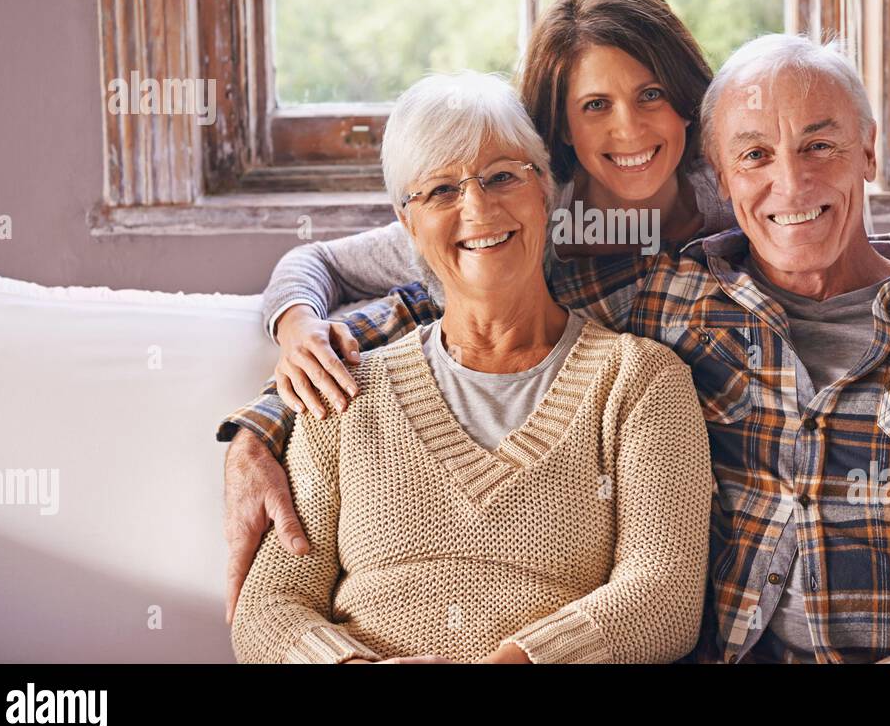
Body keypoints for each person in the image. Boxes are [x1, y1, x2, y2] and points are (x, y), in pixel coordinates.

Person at [222, 35, 890, 662]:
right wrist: (263, 422)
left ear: (868, 148)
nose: (790, 182)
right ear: (723, 171)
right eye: (756, 154)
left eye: (820, 145)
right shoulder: (674, 294)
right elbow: (458, 302)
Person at [229, 72, 711, 663]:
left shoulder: (641, 382)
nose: (478, 207)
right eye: (439, 191)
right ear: (407, 223)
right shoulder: (348, 391)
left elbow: (665, 601)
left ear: (546, 192)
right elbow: (268, 607)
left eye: (503, 176)